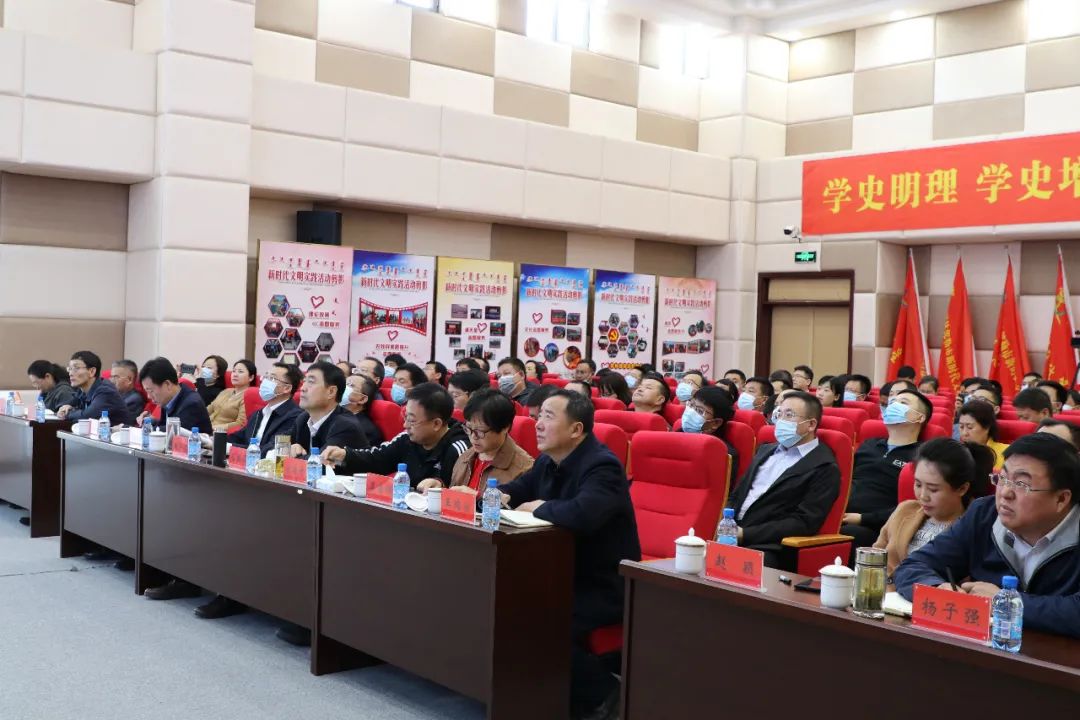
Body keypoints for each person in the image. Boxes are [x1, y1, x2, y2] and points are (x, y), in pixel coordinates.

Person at [495, 390, 640, 719]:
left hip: (601, 584)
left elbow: (583, 514)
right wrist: (494, 496)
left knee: (536, 619)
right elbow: (518, 490)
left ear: (576, 429)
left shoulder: (602, 465)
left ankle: (607, 694)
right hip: (558, 573)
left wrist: (539, 508)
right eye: (538, 416)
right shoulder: (548, 460)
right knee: (502, 603)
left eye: (547, 416)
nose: (537, 424)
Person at [895, 433, 1080, 638]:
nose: (1005, 493)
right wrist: (938, 589)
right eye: (1002, 479)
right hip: (985, 649)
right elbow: (913, 566)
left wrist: (1005, 602)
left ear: (1061, 499)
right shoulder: (984, 514)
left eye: (1021, 484)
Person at [726, 391, 840, 568]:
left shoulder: (824, 467)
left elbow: (804, 522)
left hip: (771, 545)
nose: (780, 421)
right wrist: (726, 523)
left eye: (789, 415)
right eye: (779, 414)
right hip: (730, 533)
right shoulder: (765, 450)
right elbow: (738, 494)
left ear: (811, 424)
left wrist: (745, 534)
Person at [874, 439, 993, 578]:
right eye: (918, 485)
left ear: (962, 489)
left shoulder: (972, 529)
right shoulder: (905, 510)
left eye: (933, 489)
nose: (923, 496)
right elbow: (875, 556)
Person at [322, 383, 469, 489]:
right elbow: (377, 458)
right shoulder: (407, 438)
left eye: (411, 420)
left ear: (436, 424)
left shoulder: (459, 450)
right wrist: (345, 455)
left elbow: (459, 492)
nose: (405, 425)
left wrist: (440, 486)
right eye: (405, 417)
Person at [841, 389, 932, 548]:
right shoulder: (869, 444)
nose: (894, 405)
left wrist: (863, 518)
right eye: (892, 402)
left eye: (903, 403)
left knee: (849, 535)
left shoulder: (923, 455)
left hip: (879, 526)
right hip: (841, 515)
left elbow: (915, 505)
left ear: (919, 417)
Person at [417, 388, 533, 493]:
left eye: (480, 431)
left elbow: (517, 508)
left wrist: (476, 499)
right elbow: (456, 493)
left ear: (504, 428)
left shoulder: (524, 468)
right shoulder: (466, 456)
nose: (473, 436)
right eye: (468, 429)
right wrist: (440, 486)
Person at [289, 361, 366, 458]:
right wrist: (289, 449)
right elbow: (280, 444)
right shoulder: (304, 418)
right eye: (304, 381)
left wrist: (292, 455)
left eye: (311, 382)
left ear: (331, 392)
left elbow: (322, 462)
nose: (303, 388)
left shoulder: (345, 425)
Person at [226, 362, 303, 457]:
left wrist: (229, 448)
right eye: (266, 377)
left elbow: (269, 450)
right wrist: (215, 441)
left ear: (286, 388)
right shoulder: (259, 413)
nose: (265, 382)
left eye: (272, 378)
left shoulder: (295, 417)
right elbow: (239, 436)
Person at [56, 351, 133, 426]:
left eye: (76, 368)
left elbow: (87, 417)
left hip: (116, 434)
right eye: (70, 368)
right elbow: (67, 405)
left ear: (92, 371)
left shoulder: (106, 392)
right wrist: (65, 408)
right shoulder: (82, 390)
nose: (70, 373)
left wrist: (69, 413)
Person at [137, 357, 211, 431]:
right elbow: (165, 426)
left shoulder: (191, 404)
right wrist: (150, 421)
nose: (149, 396)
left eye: (151, 391)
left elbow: (175, 431)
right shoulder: (168, 399)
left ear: (167, 384)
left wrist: (147, 428)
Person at [680, 386, 739, 472]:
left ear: (716, 423)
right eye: (691, 405)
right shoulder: (678, 433)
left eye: (699, 411)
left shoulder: (724, 454)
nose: (691, 412)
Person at [957, 399, 1009, 469]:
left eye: (970, 427)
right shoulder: (956, 452)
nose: (964, 433)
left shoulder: (1006, 453)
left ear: (987, 427)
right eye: (961, 427)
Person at [207, 360, 255, 431]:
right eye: (234, 371)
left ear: (251, 377)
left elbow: (240, 424)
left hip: (222, 433)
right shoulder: (226, 391)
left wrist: (213, 428)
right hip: (206, 428)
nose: (235, 374)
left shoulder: (248, 397)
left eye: (240, 371)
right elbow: (209, 409)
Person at [341, 373, 384, 446]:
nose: (342, 387)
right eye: (344, 383)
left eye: (351, 385)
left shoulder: (364, 430)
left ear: (362, 399)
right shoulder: (333, 415)